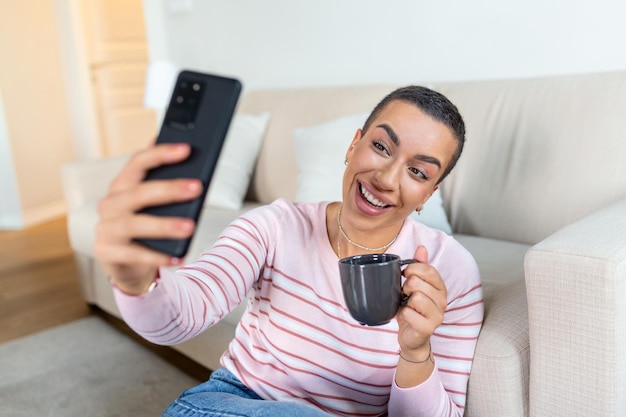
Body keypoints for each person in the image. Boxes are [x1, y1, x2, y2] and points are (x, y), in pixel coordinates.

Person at [94, 85, 484, 417]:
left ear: (429, 194)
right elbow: (184, 313)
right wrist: (135, 280)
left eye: (418, 172)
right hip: (234, 403)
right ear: (353, 145)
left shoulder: (450, 270)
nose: (385, 179)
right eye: (381, 146)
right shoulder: (274, 227)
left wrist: (415, 351)